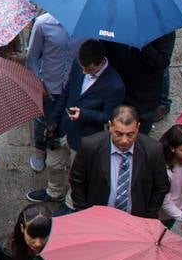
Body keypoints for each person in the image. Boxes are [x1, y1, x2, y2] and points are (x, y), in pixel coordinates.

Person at [28, 40, 127, 205]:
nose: (83, 71)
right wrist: (54, 121)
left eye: (88, 69)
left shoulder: (115, 85)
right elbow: (67, 93)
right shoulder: (79, 63)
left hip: (84, 137)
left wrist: (84, 114)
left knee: (77, 175)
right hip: (64, 128)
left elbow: (110, 117)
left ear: (100, 62)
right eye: (81, 67)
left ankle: (71, 204)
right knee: (53, 164)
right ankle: (54, 192)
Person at [69, 105, 169, 218]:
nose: (124, 140)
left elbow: (161, 186)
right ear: (110, 126)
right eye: (119, 134)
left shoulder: (153, 150)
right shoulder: (90, 146)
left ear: (138, 127)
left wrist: (148, 215)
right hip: (97, 218)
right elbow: (76, 180)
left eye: (130, 134)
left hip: (136, 221)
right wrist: (83, 211)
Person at [157, 124, 182, 225]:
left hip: (177, 212)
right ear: (172, 148)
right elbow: (165, 202)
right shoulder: (165, 170)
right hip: (162, 215)